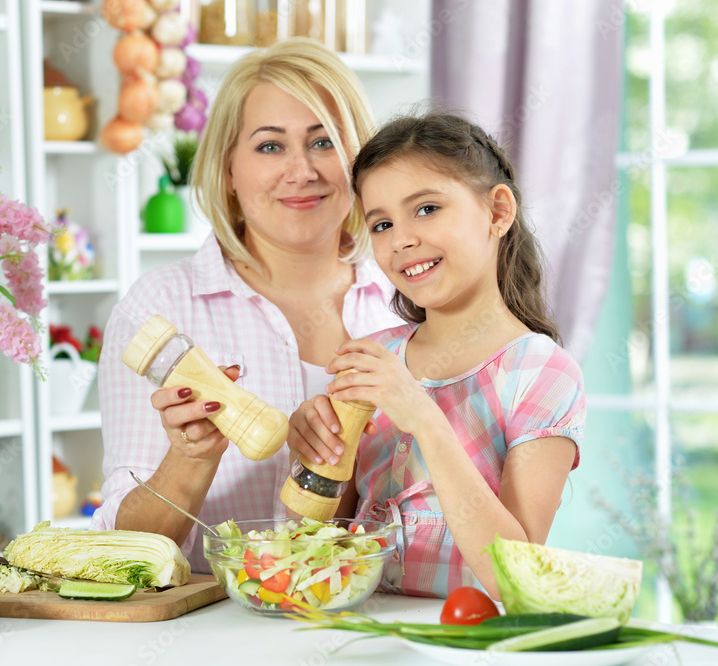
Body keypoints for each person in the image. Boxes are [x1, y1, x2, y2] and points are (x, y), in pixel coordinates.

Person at [91, 38, 403, 572]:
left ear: (360, 161)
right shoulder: (161, 308)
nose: (301, 171)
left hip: (367, 623)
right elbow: (125, 557)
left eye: (324, 141)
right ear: (229, 170)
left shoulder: (406, 303)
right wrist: (191, 458)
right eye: (269, 146)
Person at [291, 112, 585, 599]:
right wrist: (317, 460)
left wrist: (423, 419)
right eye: (382, 224)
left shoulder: (542, 373)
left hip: (468, 640)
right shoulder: (374, 358)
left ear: (497, 212)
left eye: (426, 209)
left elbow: (518, 579)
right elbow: (309, 546)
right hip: (358, 631)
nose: (402, 239)